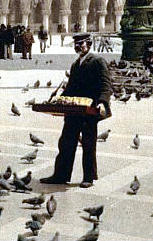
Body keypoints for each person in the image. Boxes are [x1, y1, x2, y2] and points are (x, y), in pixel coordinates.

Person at [41, 33, 113, 188]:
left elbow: (106, 84)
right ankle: (60, 175)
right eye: (76, 44)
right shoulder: (75, 64)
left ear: (89, 44)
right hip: (74, 110)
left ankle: (88, 177)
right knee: (66, 142)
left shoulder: (97, 61)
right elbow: (70, 88)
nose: (78, 46)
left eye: (81, 43)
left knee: (88, 143)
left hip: (89, 109)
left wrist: (102, 102)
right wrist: (59, 100)